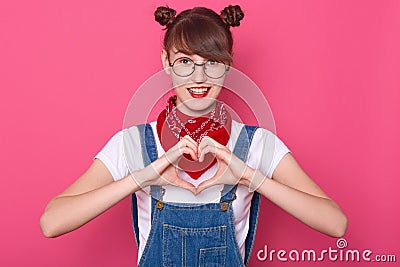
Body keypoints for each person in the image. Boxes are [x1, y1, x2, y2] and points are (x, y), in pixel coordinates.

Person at [40, 5, 348, 266]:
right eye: (185, 62)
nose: (198, 77)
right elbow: (52, 223)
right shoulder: (132, 143)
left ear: (228, 65)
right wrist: (142, 178)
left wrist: (250, 178)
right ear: (166, 62)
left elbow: (335, 223)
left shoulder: (257, 144)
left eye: (211, 63)